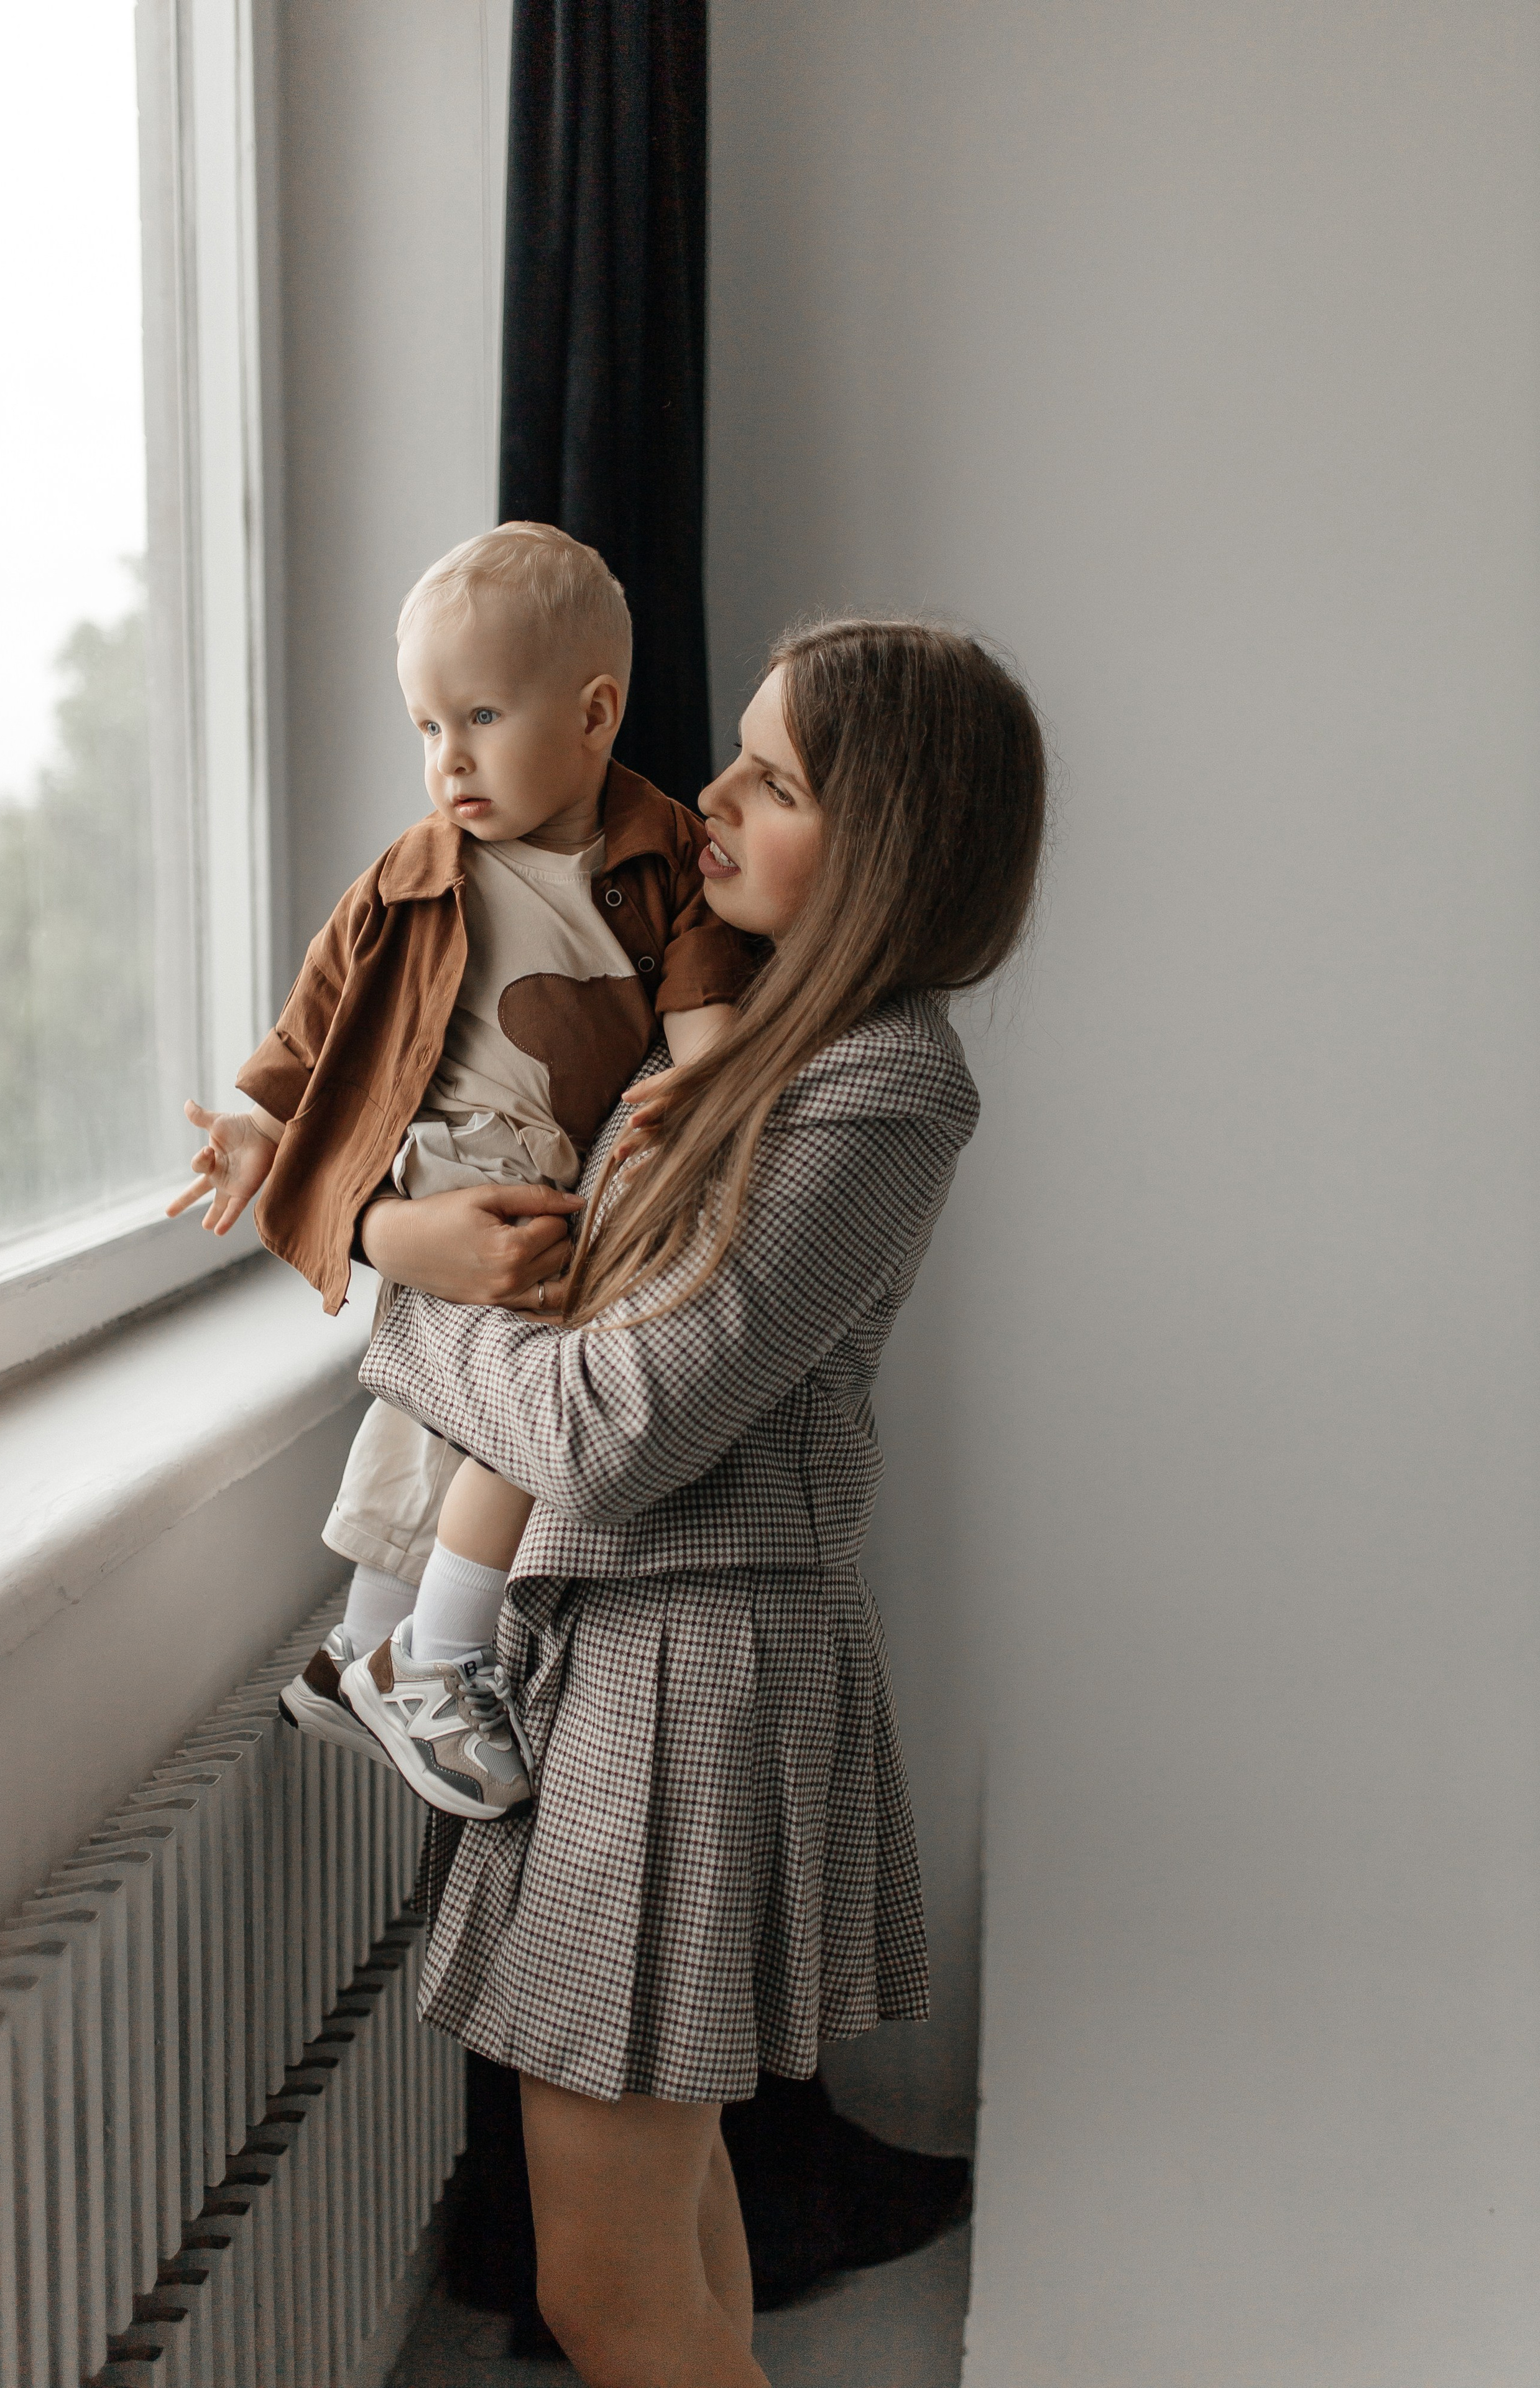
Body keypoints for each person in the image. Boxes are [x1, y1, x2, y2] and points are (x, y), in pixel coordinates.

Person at [355, 617, 1046, 2387]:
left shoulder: (878, 1088)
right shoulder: (738, 1053)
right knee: (670, 2229)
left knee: (611, 2286)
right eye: (736, 751)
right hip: (644, 1661)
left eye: (777, 778)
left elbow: (606, 1425)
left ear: (885, 846)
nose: (711, 796)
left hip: (688, 1676)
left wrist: (392, 1284)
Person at [167, 523, 758, 1815]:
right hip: (454, 1171)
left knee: (441, 1418)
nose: (448, 761)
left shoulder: (658, 855)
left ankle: (357, 1649)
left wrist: (703, 1087)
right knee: (538, 1400)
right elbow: (313, 1019)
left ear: (594, 712)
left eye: (480, 718)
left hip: (565, 1170)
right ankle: (438, 1652)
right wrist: (261, 1126)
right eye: (427, 728)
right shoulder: (416, 871)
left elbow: (702, 1001)